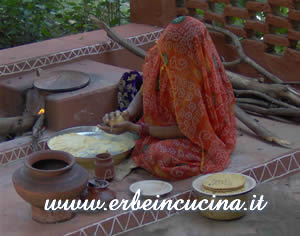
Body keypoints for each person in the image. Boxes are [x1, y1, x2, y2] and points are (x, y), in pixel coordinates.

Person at [98, 16, 237, 180]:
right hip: (156, 125)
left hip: (193, 136)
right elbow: (145, 91)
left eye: (171, 51)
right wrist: (126, 114)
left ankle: (143, 140)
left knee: (158, 155)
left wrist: (135, 129)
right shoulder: (163, 57)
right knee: (129, 80)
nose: (164, 55)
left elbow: (188, 130)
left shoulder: (198, 79)